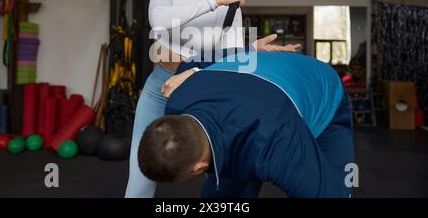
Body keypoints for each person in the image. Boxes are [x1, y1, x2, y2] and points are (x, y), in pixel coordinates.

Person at [125, 0, 300, 198]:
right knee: (141, 169)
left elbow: (225, 63)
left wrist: (249, 51)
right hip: (160, 89)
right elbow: (158, 22)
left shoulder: (231, 7)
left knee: (222, 165)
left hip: (201, 92)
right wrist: (215, 2)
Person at [138, 51, 354, 198]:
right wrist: (194, 70)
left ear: (199, 168)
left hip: (321, 85)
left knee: (336, 190)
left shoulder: (276, 145)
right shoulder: (178, 96)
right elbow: (197, 58)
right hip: (261, 71)